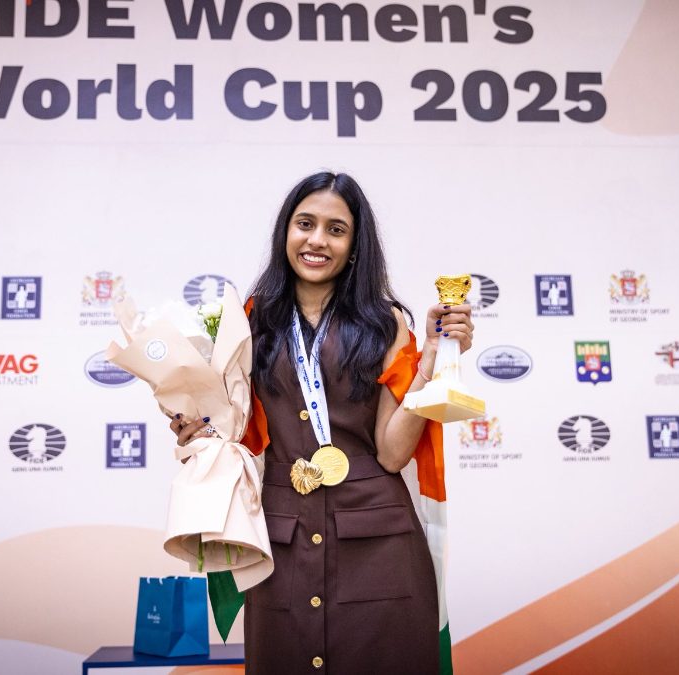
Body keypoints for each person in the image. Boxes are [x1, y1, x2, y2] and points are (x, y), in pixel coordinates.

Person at [170, 172, 474, 673]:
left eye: (336, 229)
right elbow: (231, 431)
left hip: (380, 546)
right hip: (281, 543)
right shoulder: (247, 322)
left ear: (355, 245)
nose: (317, 240)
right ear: (285, 232)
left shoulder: (386, 323)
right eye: (304, 224)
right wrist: (198, 435)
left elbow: (393, 453)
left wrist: (430, 361)